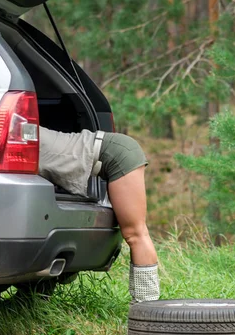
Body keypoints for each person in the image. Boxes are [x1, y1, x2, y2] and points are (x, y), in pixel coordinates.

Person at [38, 126, 160, 303]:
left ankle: (148, 307)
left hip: (118, 154)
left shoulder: (17, 135)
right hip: (112, 149)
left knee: (135, 233)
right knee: (136, 233)